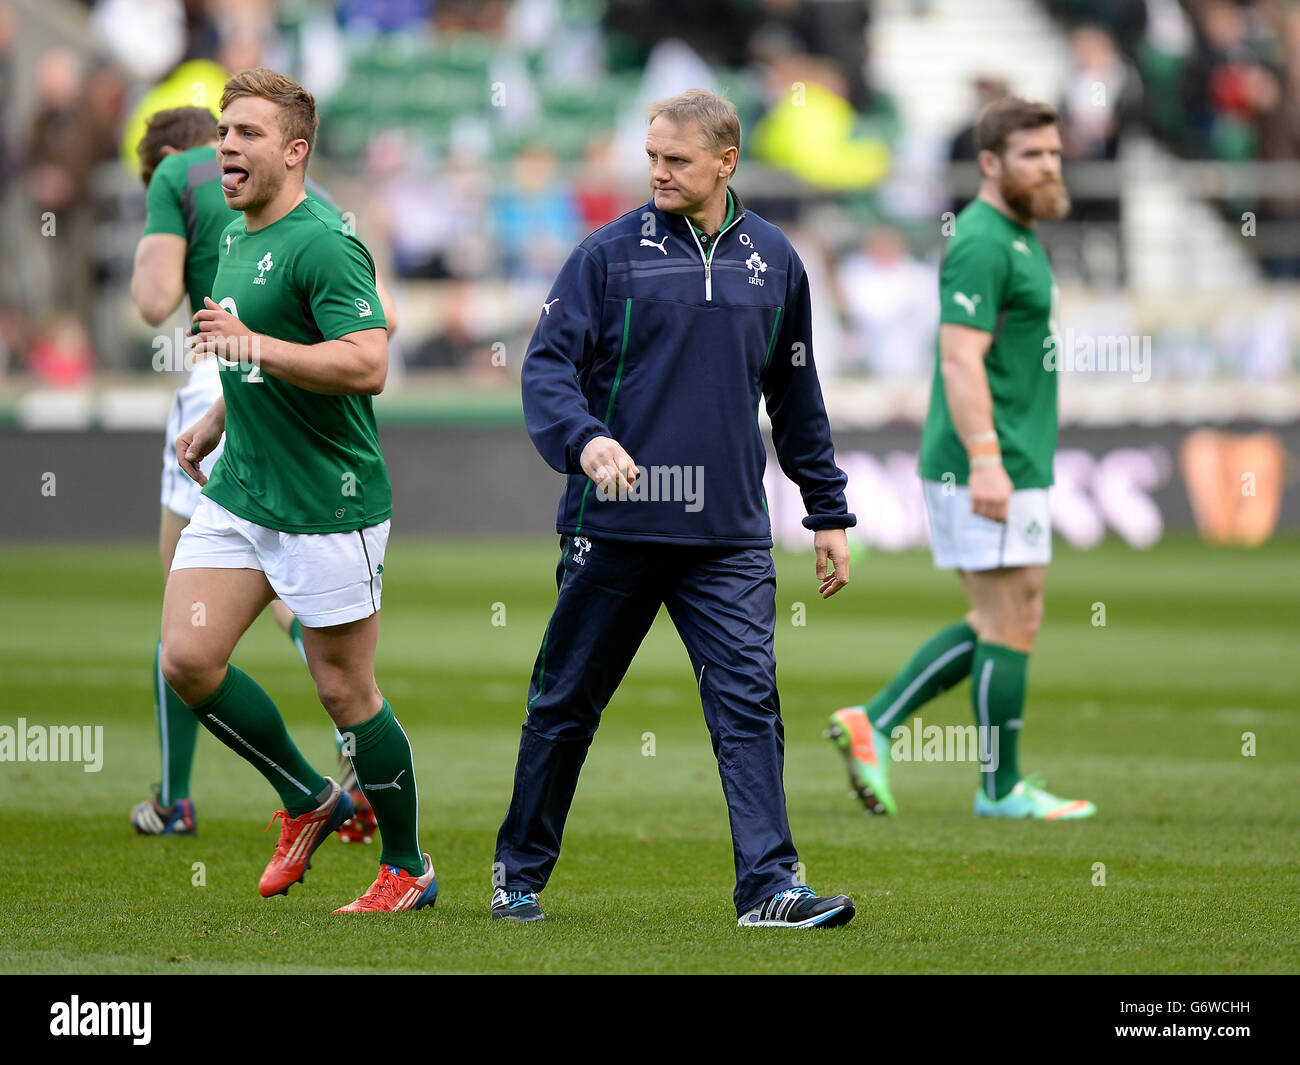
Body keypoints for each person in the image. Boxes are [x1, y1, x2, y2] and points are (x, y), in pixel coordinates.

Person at [493, 89, 858, 928]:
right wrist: (585, 440)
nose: (657, 171)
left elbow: (796, 393)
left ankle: (769, 886)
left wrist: (826, 510)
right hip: (615, 525)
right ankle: (518, 871)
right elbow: (546, 368)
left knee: (748, 705)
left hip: (728, 535)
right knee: (565, 703)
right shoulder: (605, 255)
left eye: (677, 160)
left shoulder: (777, 260)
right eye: (651, 156)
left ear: (726, 163)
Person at [160, 68, 436, 913]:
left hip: (328, 501)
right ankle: (309, 796)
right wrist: (217, 424)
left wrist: (250, 349)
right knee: (187, 659)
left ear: (295, 150)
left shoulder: (325, 240)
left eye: (246, 134)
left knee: (344, 691)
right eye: (222, 133)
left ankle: (406, 865)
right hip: (244, 488)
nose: (227, 148)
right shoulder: (239, 236)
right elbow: (255, 355)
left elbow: (368, 362)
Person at [827, 98, 1096, 821]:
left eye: (1054, 154)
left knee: (1013, 613)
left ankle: (876, 723)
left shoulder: (1017, 232)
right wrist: (985, 457)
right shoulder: (981, 239)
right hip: (986, 455)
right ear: (989, 163)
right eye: (1032, 156)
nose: (1049, 166)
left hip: (1016, 452)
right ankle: (996, 786)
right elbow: (958, 356)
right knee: (1006, 617)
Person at [128, 105, 384, 847]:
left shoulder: (178, 172)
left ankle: (176, 800)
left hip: (227, 380)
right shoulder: (316, 205)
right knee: (287, 594)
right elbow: (378, 320)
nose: (227, 155)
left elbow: (150, 302)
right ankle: (348, 732)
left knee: (186, 609)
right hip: (291, 403)